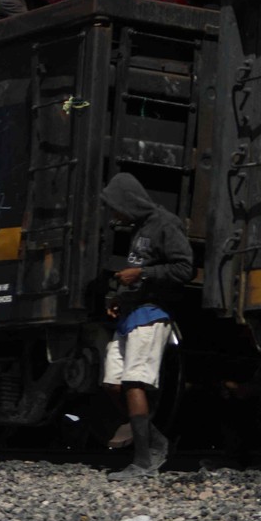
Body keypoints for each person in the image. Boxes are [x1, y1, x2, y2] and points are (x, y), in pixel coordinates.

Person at [100, 173, 193, 480]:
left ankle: (143, 462)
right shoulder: (139, 227)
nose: (115, 214)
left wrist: (142, 273)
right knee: (113, 383)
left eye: (117, 207)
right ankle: (155, 442)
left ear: (130, 201)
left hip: (151, 315)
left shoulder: (166, 223)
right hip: (130, 315)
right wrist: (116, 296)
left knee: (134, 383)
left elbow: (184, 268)